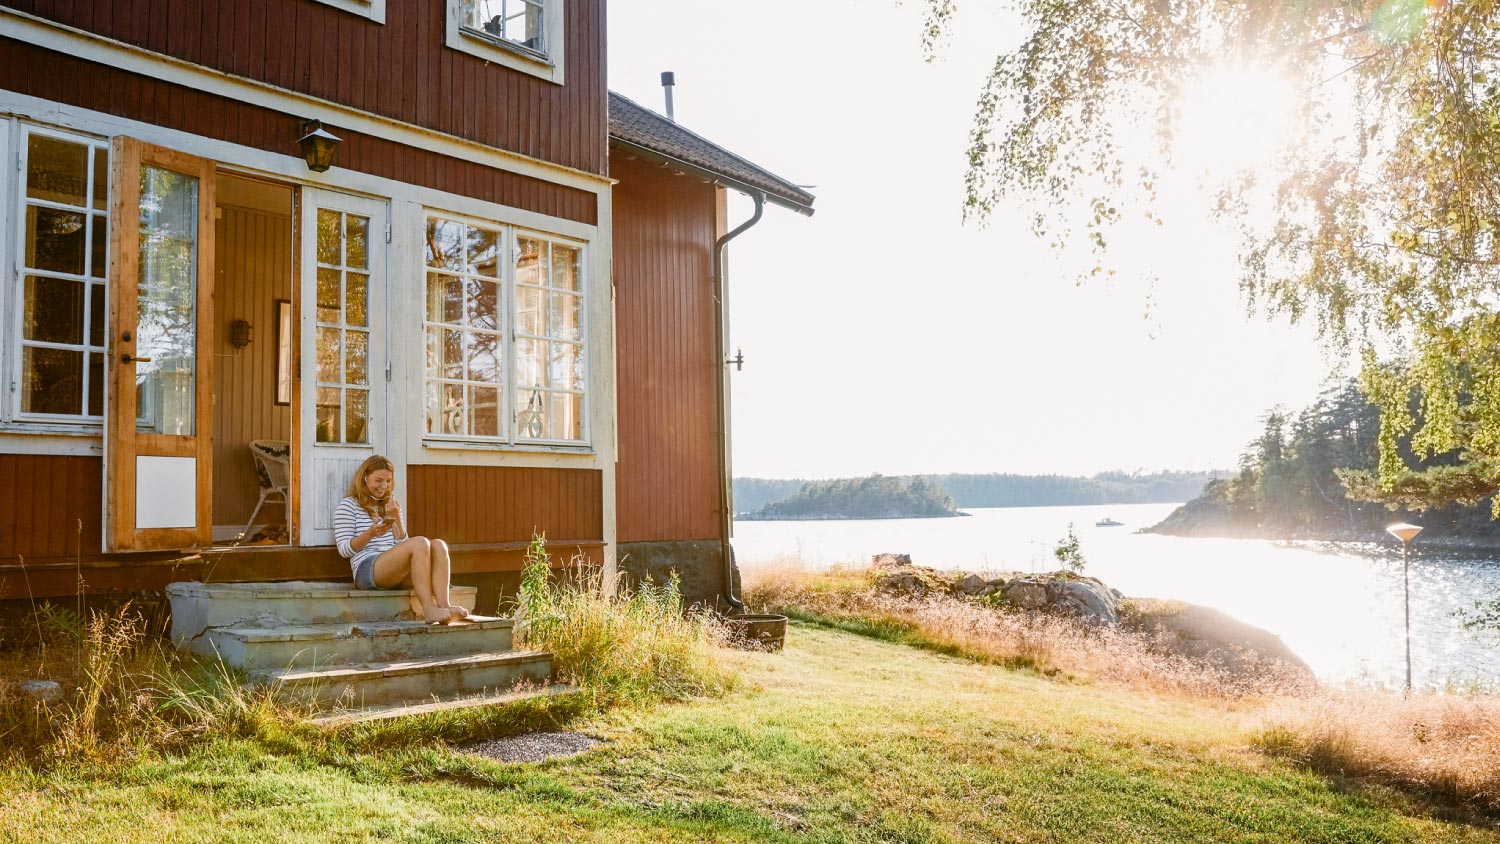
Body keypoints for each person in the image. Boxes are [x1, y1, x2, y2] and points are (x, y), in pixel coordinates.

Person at [333, 455, 469, 624]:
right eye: (378, 480)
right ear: (365, 478)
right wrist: (370, 534)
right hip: (367, 569)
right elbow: (344, 550)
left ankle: (445, 606)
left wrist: (396, 516)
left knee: (438, 545)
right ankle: (428, 609)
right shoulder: (348, 505)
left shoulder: (391, 506)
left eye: (388, 481)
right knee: (420, 542)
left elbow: (403, 545)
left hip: (393, 570)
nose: (384, 486)